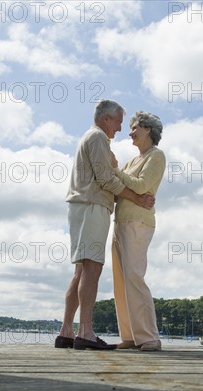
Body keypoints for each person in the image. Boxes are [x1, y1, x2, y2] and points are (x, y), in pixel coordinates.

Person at [55, 100, 155, 350]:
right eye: (119, 122)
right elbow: (105, 179)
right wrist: (137, 198)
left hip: (80, 206)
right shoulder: (98, 138)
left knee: (80, 271)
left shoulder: (89, 138)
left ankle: (66, 331)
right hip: (92, 206)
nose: (120, 129)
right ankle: (86, 332)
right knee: (92, 269)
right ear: (106, 118)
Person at [111, 112, 166, 351]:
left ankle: (149, 337)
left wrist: (115, 171)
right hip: (120, 221)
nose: (130, 132)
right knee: (121, 281)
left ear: (147, 130)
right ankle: (131, 337)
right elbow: (119, 188)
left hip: (138, 223)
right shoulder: (131, 162)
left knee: (134, 276)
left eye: (135, 128)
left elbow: (142, 186)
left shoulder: (156, 156)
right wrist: (118, 174)